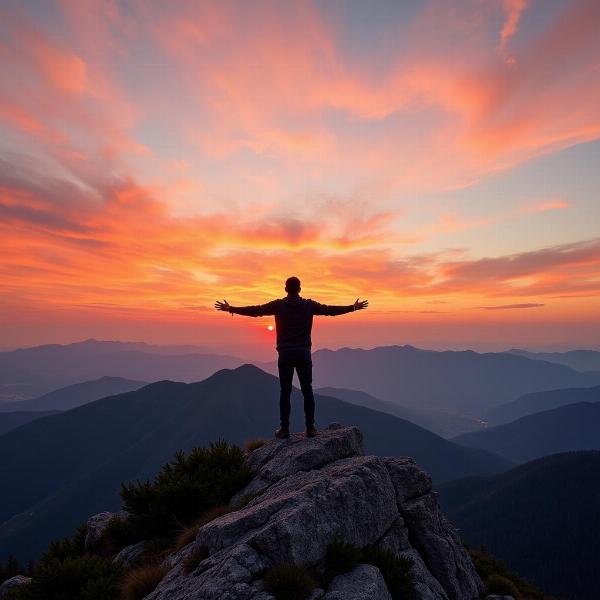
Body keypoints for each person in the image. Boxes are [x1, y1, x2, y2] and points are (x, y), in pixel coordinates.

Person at [215, 277, 368, 439]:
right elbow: (329, 310)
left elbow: (256, 310)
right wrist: (353, 307)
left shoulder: (278, 305)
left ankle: (284, 429)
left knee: (285, 392)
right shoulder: (309, 305)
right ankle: (310, 428)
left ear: (285, 289)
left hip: (285, 354)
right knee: (307, 391)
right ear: (300, 289)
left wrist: (230, 308)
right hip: (303, 353)